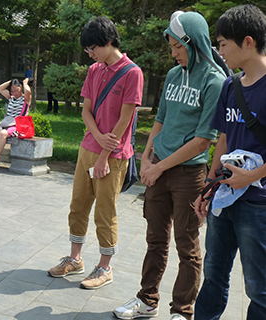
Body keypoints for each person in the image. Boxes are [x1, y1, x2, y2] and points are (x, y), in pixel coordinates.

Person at [113, 11, 225, 320]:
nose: (173, 53)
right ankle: (147, 301)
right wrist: (147, 157)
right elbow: (160, 120)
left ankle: (182, 312)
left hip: (189, 174)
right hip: (158, 167)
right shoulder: (174, 75)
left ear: (193, 42)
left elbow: (204, 140)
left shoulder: (214, 82)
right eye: (171, 47)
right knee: (155, 239)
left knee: (187, 247)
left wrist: (159, 167)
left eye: (177, 46)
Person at [47, 16, 144, 290]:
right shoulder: (94, 70)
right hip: (88, 148)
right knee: (78, 205)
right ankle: (75, 259)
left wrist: (103, 154)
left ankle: (104, 267)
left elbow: (125, 121)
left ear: (108, 41)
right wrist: (97, 136)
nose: (90, 54)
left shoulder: (132, 73)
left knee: (105, 211)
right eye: (88, 50)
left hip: (112, 156)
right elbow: (86, 110)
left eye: (93, 48)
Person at [193, 5, 266, 320]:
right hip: (224, 197)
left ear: (248, 42)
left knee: (259, 289)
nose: (219, 50)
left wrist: (249, 178)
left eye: (223, 43)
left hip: (258, 204)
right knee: (213, 276)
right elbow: (222, 140)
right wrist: (208, 188)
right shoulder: (229, 85)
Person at [0, 78, 32, 172]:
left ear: (21, 88)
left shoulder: (25, 99)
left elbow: (28, 91)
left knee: (3, 133)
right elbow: (0, 88)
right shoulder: (11, 97)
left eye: (16, 90)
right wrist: (10, 81)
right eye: (12, 91)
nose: (14, 93)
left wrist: (25, 83)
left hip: (17, 125)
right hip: (6, 122)